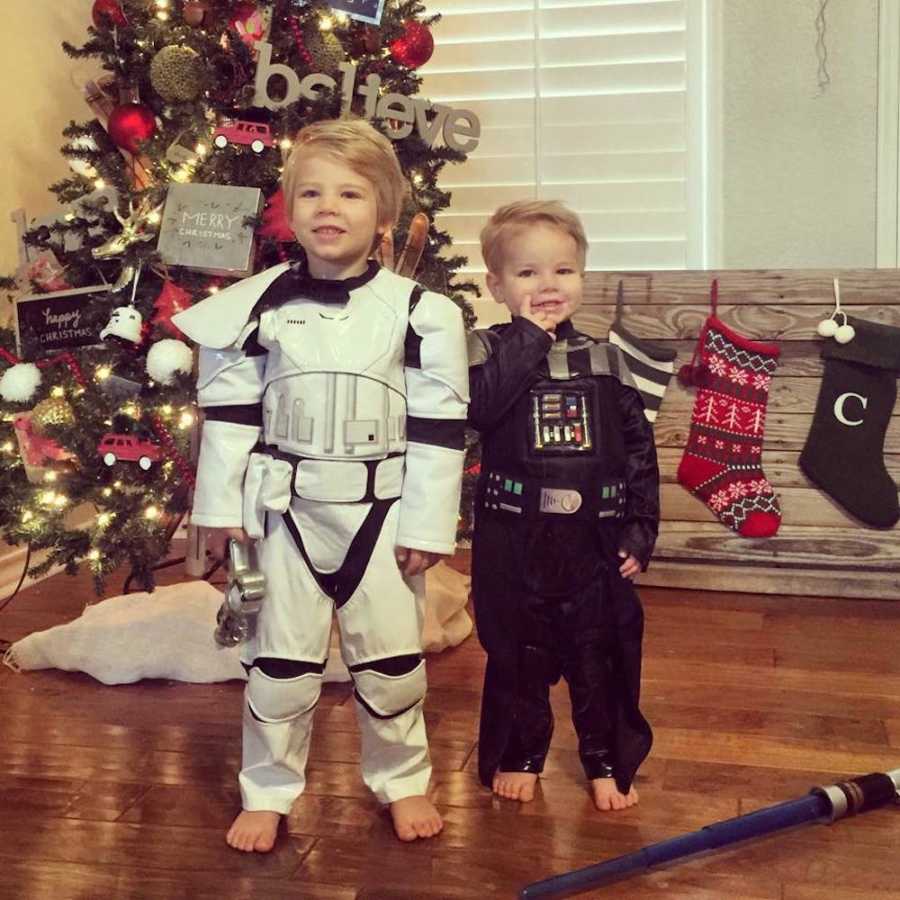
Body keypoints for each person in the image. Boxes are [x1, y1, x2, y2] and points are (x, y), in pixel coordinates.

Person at [172, 118, 469, 852]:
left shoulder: (421, 313)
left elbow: (439, 428)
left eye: (349, 193)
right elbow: (231, 413)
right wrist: (221, 510)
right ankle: (267, 790)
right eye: (310, 192)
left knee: (393, 662)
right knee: (278, 663)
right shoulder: (255, 307)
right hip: (285, 511)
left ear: (385, 216)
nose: (328, 207)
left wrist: (428, 528)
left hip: (383, 512)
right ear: (288, 208)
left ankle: (402, 780)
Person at [467, 200, 658, 811]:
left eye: (563, 271)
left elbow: (638, 452)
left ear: (582, 274)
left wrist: (639, 529)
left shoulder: (606, 361)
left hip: (594, 544)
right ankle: (523, 749)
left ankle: (603, 755)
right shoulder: (486, 353)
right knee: (519, 653)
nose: (547, 285)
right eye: (527, 274)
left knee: (599, 652)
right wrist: (528, 337)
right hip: (514, 541)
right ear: (496, 285)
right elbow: (479, 410)